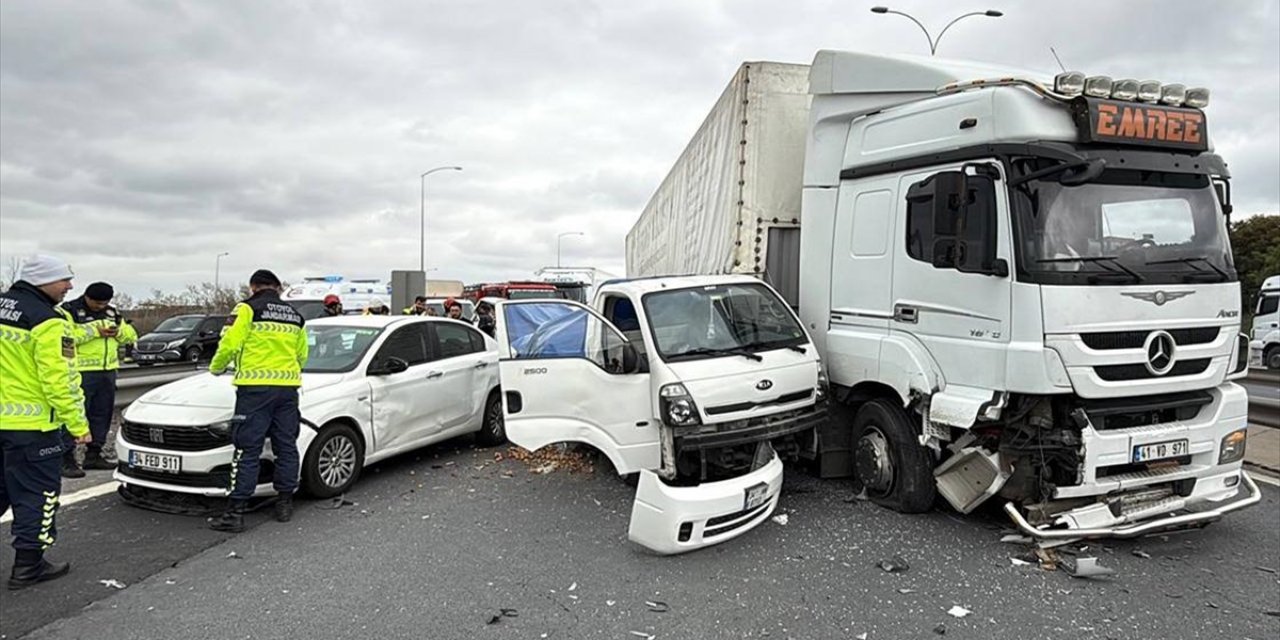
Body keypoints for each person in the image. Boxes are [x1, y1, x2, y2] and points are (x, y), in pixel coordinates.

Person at [0, 255, 91, 589]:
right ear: (43, 281)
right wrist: (78, 424)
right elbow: (61, 379)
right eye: (64, 280)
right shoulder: (49, 320)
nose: (70, 286)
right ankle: (28, 566)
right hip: (32, 428)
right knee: (36, 495)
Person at [206, 269, 308, 532]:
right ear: (278, 287)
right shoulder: (295, 316)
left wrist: (216, 368)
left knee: (246, 448)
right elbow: (302, 355)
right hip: (287, 389)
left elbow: (229, 343)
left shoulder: (247, 308)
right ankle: (285, 503)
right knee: (286, 445)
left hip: (255, 390)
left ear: (253, 287)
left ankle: (235, 513)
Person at [60, 282, 138, 476]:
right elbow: (65, 340)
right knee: (74, 415)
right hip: (80, 371)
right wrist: (95, 332)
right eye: (96, 303)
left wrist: (118, 332)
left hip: (107, 371)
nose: (100, 307)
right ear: (87, 296)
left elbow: (131, 337)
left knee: (101, 415)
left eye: (104, 303)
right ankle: (65, 458)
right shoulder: (69, 311)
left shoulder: (112, 313)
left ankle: (94, 455)